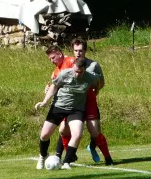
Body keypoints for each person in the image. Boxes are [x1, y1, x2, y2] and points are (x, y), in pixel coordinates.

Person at [35, 57, 99, 170]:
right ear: (72, 67)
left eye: (80, 72)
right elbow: (54, 87)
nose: (77, 74)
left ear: (84, 69)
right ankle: (43, 156)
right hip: (58, 106)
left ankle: (66, 162)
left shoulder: (90, 77)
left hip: (76, 110)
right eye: (75, 71)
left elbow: (97, 84)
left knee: (77, 134)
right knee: (44, 135)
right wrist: (45, 101)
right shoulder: (64, 74)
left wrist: (95, 92)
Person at [71, 38, 114, 166]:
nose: (78, 53)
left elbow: (102, 82)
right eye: (75, 50)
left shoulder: (94, 65)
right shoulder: (70, 64)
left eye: (80, 50)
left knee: (96, 132)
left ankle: (94, 148)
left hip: (90, 102)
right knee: (66, 130)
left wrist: (96, 90)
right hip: (74, 104)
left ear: (85, 50)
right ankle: (67, 156)